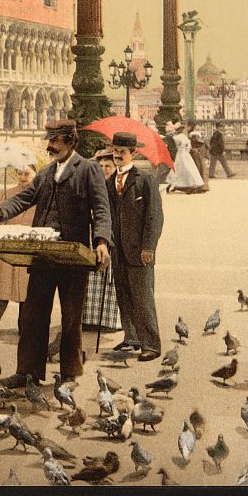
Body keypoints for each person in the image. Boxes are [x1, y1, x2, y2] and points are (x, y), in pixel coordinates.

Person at [0, 119, 112, 387]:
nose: (49, 146)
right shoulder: (45, 172)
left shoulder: (88, 170)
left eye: (54, 141)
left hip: (74, 257)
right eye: (49, 141)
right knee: (33, 314)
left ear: (70, 142)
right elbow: (24, 198)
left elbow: (101, 209)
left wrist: (101, 242)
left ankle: (69, 373)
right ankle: (27, 371)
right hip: (42, 254)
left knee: (71, 317)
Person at [107, 133, 164, 361]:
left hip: (140, 250)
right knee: (123, 294)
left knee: (143, 297)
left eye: (122, 151)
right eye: (115, 150)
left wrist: (148, 247)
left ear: (134, 153)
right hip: (117, 250)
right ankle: (132, 337)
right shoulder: (109, 181)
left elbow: (155, 216)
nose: (117, 154)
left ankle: (150, 344)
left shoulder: (145, 179)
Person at [0, 164, 37, 337]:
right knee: (4, 286)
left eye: (27, 174)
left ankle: (23, 322)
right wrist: (1, 211)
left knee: (26, 288)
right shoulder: (7, 193)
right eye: (20, 173)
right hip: (9, 243)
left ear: (35, 174)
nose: (23, 177)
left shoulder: (39, 194)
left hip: (29, 244)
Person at [82, 149, 123, 334]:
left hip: (112, 235)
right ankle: (90, 319)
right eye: (101, 166)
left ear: (115, 168)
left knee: (110, 278)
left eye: (108, 166)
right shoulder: (91, 184)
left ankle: (109, 321)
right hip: (94, 233)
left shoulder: (117, 186)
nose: (105, 169)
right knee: (92, 278)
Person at [164, 122, 205, 193]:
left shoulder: (179, 136)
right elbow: (185, 144)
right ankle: (187, 185)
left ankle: (187, 185)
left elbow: (188, 145)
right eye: (181, 129)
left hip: (184, 154)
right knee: (185, 169)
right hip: (182, 154)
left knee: (184, 169)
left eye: (182, 129)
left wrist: (188, 147)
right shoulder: (178, 137)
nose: (182, 130)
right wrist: (187, 146)